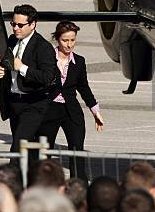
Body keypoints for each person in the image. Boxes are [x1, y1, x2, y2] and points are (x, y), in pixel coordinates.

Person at [37, 21, 104, 180]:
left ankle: (79, 186)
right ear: (57, 40)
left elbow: (83, 87)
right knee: (45, 152)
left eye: (72, 40)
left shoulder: (79, 61)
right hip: (49, 110)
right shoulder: (46, 58)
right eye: (65, 40)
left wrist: (95, 111)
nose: (69, 45)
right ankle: (45, 185)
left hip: (71, 111)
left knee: (77, 151)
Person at [0, 4, 58, 155]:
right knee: (25, 150)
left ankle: (10, 177)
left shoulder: (43, 47)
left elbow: (47, 77)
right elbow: (5, 66)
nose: (16, 28)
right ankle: (30, 176)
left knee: (17, 148)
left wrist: (22, 67)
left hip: (33, 104)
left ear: (33, 24)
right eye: (13, 24)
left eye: (21, 25)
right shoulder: (11, 41)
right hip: (14, 102)